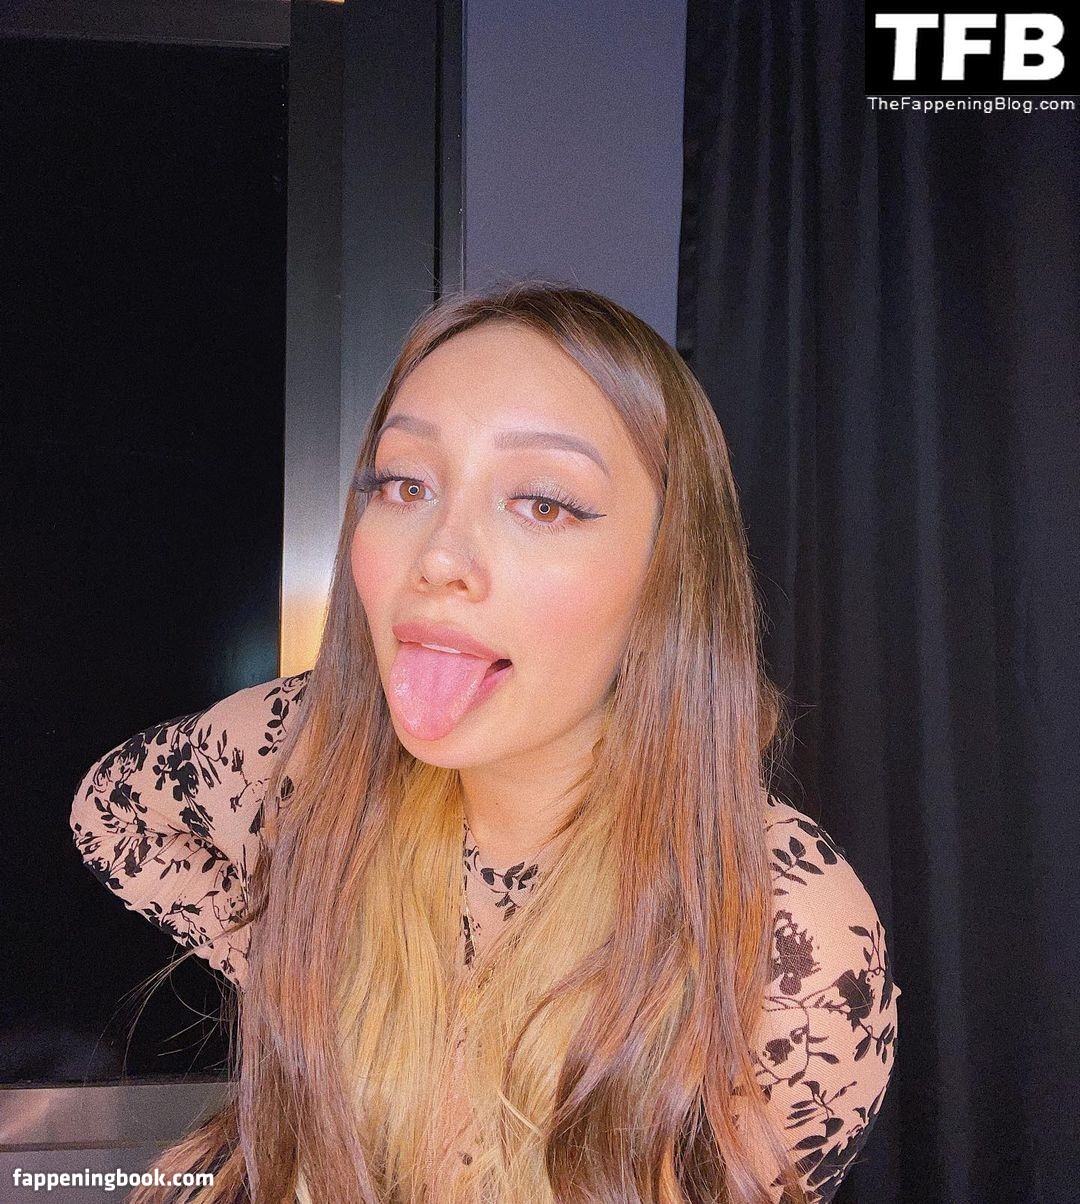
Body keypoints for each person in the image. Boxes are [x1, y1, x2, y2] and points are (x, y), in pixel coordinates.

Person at [70, 282, 901, 1204]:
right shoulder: (310, 752)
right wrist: (322, 986)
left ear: (668, 575)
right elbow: (112, 814)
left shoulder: (784, 938)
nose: (437, 555)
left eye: (543, 503)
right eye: (405, 485)